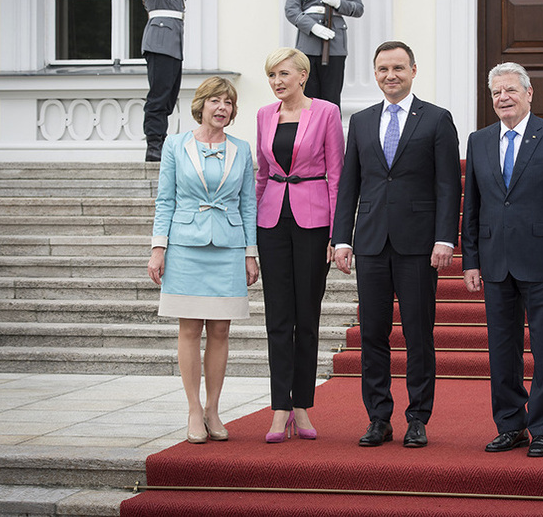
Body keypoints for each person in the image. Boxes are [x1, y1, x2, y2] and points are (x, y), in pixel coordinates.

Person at [332, 41, 461, 448]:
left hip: (419, 245)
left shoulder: (437, 120)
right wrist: (341, 239)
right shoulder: (363, 121)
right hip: (370, 242)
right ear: (375, 74)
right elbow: (349, 184)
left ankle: (418, 418)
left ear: (413, 70)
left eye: (398, 68)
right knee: (372, 333)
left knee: (418, 333)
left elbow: (448, 185)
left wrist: (445, 238)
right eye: (383, 69)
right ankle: (378, 418)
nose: (391, 75)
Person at [461, 62, 543, 458]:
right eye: (496, 92)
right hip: (496, 263)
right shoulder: (478, 141)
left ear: (529, 93)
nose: (503, 98)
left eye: (511, 90)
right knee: (502, 350)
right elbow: (472, 207)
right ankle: (510, 425)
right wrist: (471, 260)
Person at [146, 76, 259, 444]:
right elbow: (165, 199)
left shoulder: (241, 149)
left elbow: (247, 204)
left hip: (228, 245)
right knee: (190, 329)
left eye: (228, 102)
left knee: (222, 330)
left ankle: (213, 408)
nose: (222, 108)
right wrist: (158, 248)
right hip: (185, 246)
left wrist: (250, 253)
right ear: (201, 105)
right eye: (215, 101)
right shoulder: (175, 145)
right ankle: (194, 409)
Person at [255, 47, 345, 443]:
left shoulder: (326, 112)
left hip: (313, 223)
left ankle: (302, 406)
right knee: (277, 317)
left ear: (303, 76)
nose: (277, 82)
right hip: (271, 221)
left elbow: (337, 176)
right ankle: (279, 409)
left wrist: (336, 235)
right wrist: (249, 233)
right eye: (272, 75)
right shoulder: (262, 115)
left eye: (283, 74)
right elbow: (261, 175)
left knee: (306, 318)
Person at [284, 0, 364, 107]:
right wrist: (312, 27)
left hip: (334, 44)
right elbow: (291, 10)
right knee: (308, 96)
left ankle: (331, 134)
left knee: (332, 97)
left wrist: (338, 2)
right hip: (309, 43)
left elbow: (358, 8)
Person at [141, 0, 186, 162]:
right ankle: (153, 145)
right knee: (158, 97)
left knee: (168, 97)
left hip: (173, 44)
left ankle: (161, 139)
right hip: (159, 43)